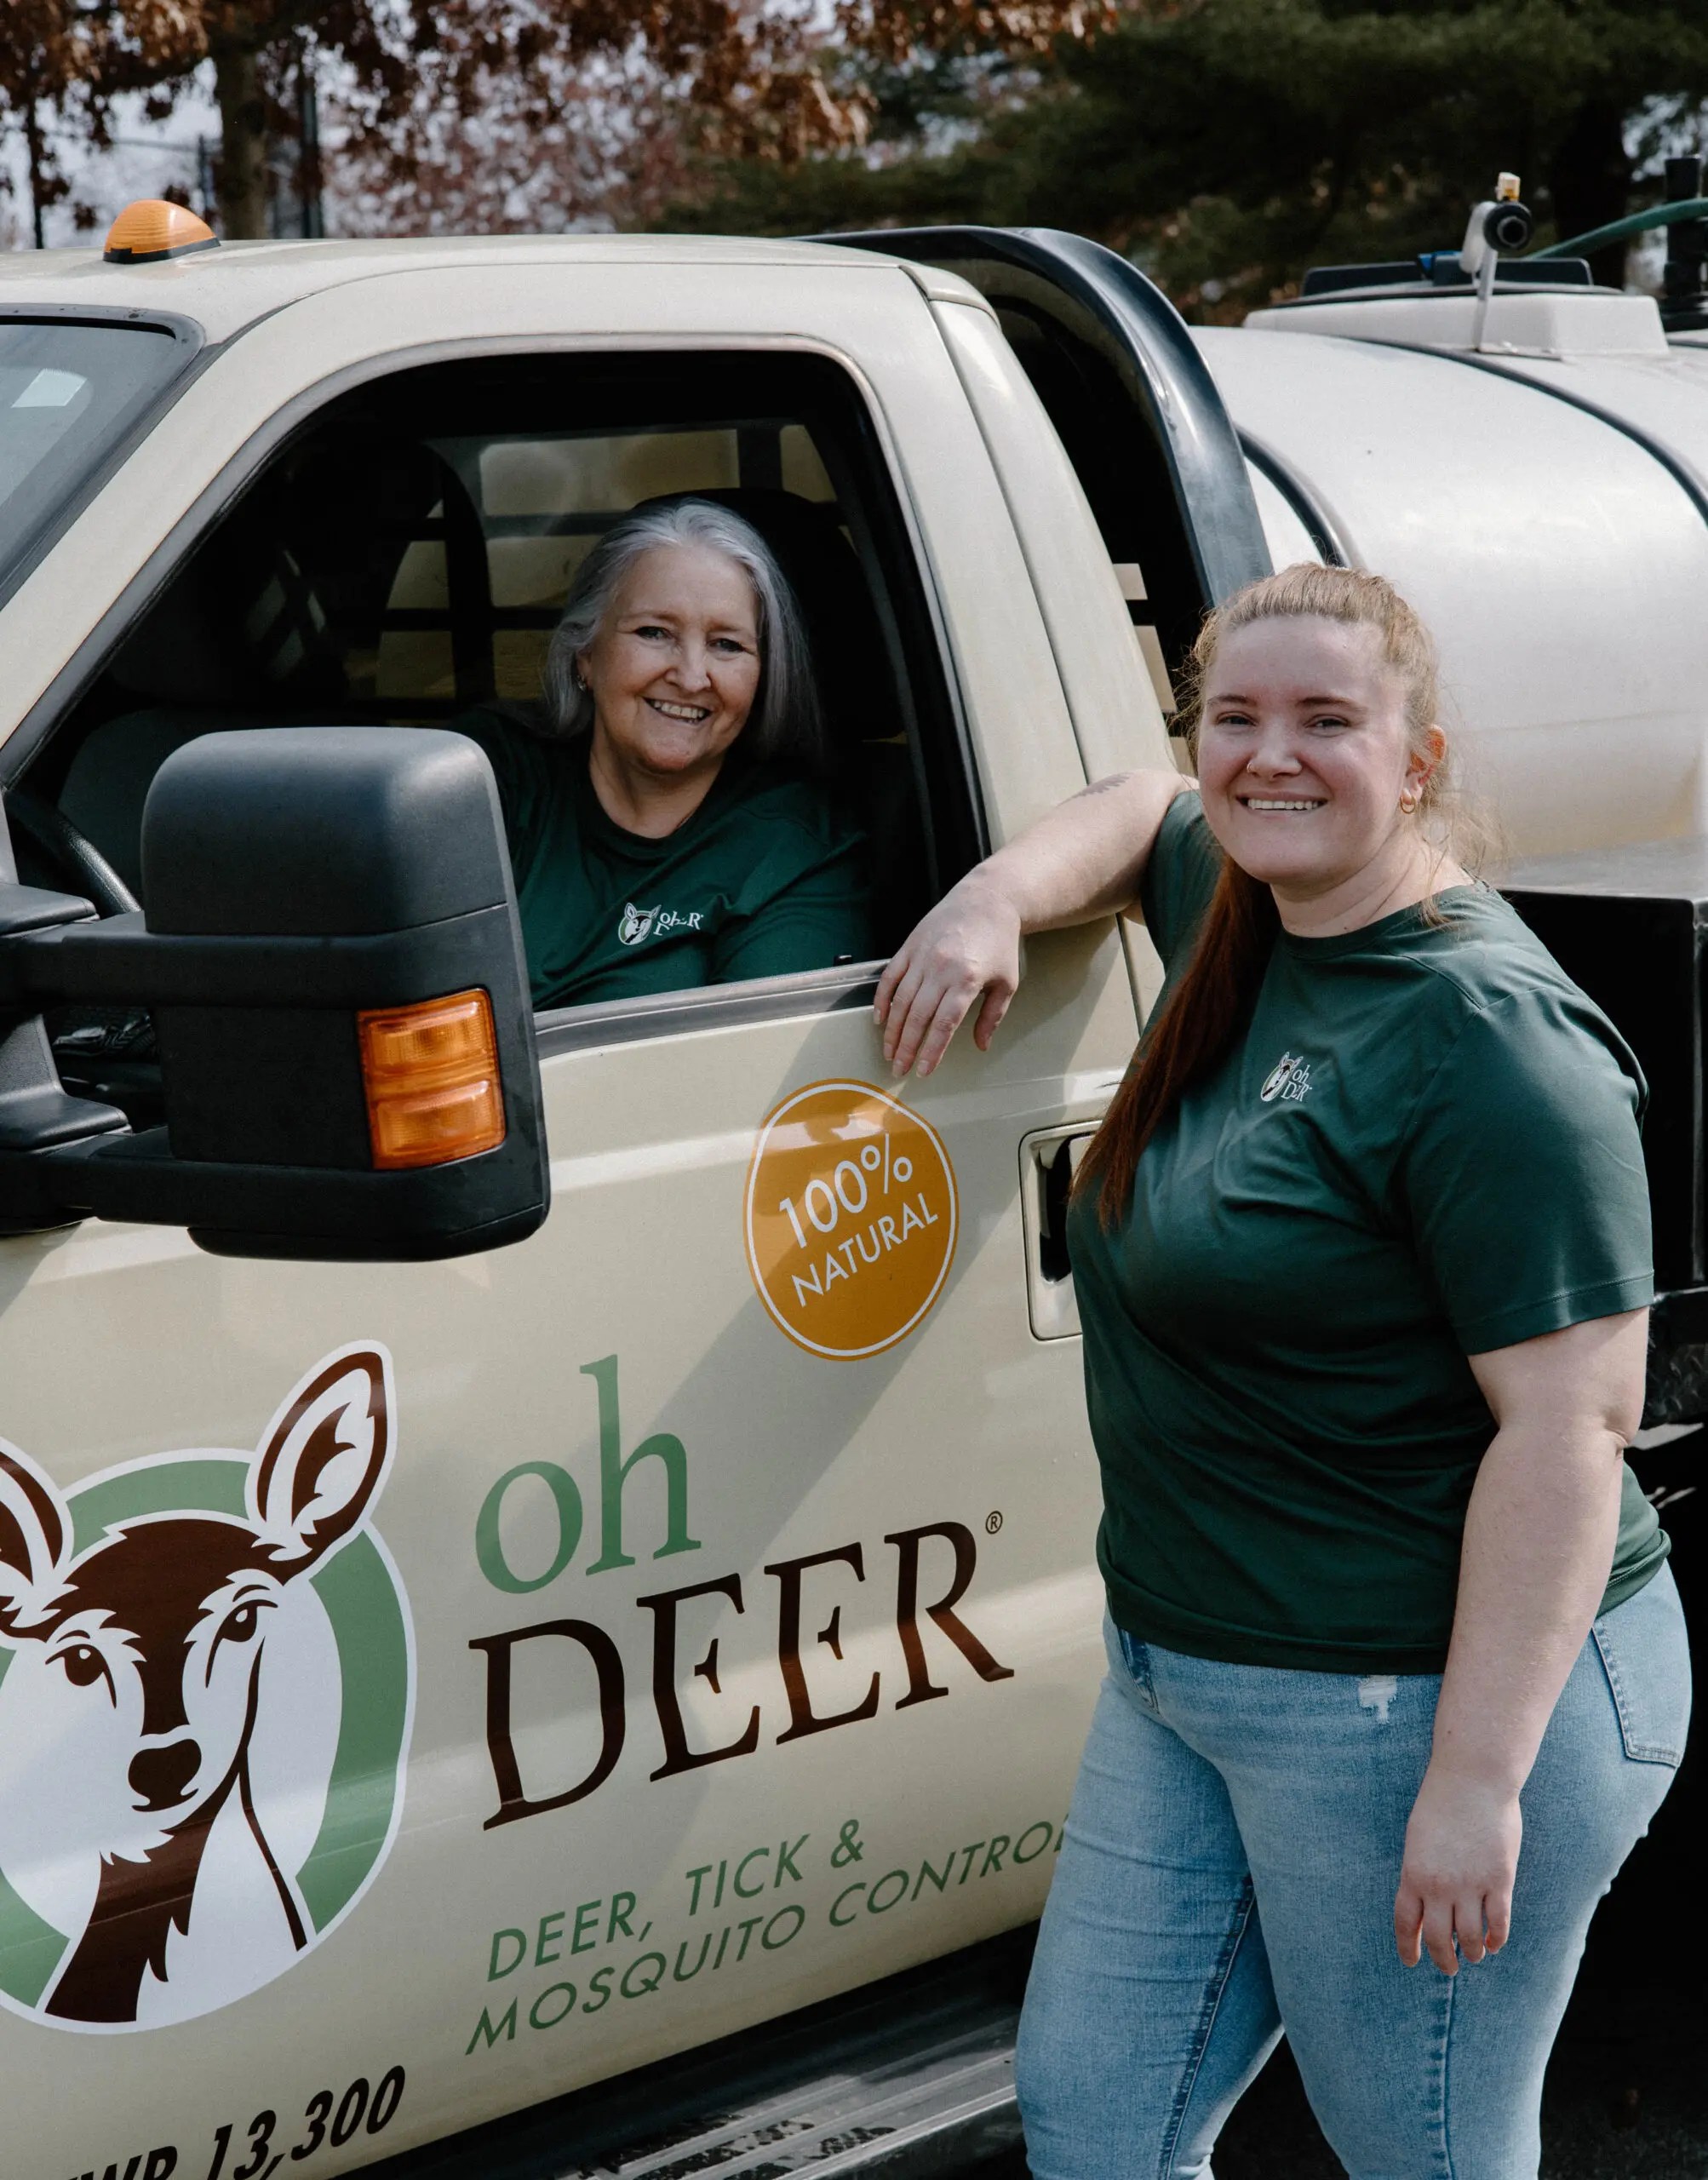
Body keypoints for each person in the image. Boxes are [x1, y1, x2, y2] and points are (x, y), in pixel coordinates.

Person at [874, 564, 1689, 2179]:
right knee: (1098, 2122)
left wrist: (1472, 1783)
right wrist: (987, 898)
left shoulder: (1491, 1044)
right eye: (1237, 718)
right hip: (1185, 1670)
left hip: (1408, 1702)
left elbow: (1570, 1430)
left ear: (1421, 757)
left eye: (1329, 721)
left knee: (1424, 2157)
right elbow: (1135, 807)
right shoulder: (1251, 900)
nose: (1271, 757)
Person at [452, 498, 872, 1010]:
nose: (692, 676)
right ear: (586, 653)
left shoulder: (794, 845)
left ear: (762, 675)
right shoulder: (487, 774)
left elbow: (747, 1066)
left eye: (727, 645)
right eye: (655, 633)